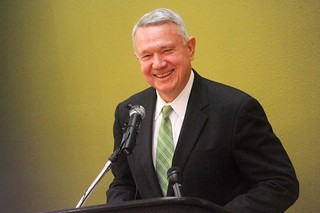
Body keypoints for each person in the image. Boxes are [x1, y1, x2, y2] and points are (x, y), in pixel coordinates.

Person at [106, 8, 299, 213]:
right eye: (146, 55)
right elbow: (124, 183)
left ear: (190, 48)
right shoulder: (130, 112)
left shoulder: (236, 109)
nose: (158, 63)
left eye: (167, 50)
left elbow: (280, 183)